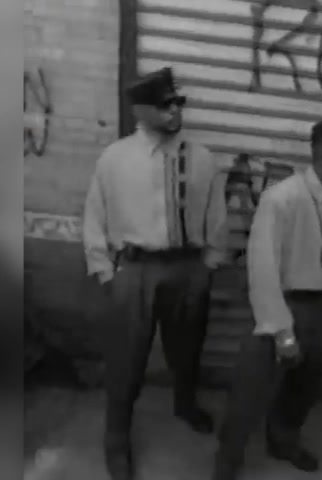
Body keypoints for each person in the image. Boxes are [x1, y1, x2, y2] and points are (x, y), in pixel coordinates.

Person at [82, 67, 231, 480]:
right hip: (135, 269)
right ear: (141, 111)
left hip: (187, 266)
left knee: (188, 347)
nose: (174, 112)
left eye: (178, 103)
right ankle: (116, 436)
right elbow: (95, 215)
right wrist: (104, 271)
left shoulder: (201, 159)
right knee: (126, 358)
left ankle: (185, 403)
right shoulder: (116, 159)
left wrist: (209, 265)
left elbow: (216, 215)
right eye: (165, 105)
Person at [212, 118, 322, 480]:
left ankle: (283, 440)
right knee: (251, 391)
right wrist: (283, 333)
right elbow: (263, 269)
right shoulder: (281, 199)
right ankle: (227, 460)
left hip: (319, 309)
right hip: (282, 308)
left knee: (302, 388)